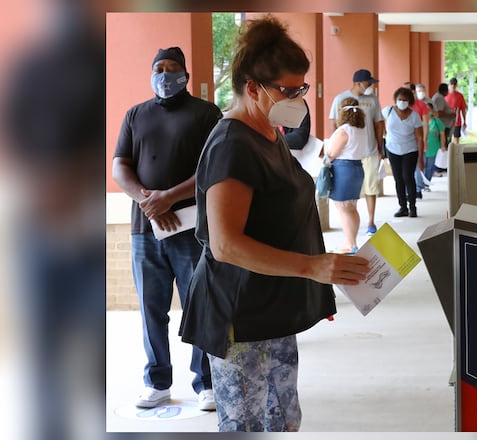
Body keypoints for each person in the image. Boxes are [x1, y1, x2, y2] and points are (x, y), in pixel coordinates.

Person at [178, 16, 370, 432]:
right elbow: (226, 245)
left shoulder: (269, 132)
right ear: (253, 88)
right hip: (240, 313)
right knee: (246, 425)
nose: (299, 97)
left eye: (302, 87)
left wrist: (319, 268)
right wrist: (311, 267)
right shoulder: (232, 144)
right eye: (289, 90)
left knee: (281, 419)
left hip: (273, 307)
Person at [112, 46, 221, 411]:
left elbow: (213, 166)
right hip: (146, 229)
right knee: (150, 308)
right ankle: (157, 381)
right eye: (158, 68)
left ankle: (206, 382)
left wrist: (169, 198)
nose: (164, 74)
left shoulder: (206, 114)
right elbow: (119, 167)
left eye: (171, 68)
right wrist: (147, 200)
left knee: (199, 304)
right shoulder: (135, 115)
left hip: (190, 229)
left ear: (185, 75)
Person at [329, 69, 385, 236]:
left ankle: (371, 221)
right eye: (368, 82)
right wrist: (335, 143)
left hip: (370, 150)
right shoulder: (340, 98)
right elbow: (333, 122)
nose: (370, 85)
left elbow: (378, 124)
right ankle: (352, 227)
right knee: (350, 195)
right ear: (358, 82)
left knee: (371, 187)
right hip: (348, 154)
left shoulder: (373, 100)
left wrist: (380, 148)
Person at [325, 97, 368, 254]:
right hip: (357, 168)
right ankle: (352, 241)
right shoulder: (361, 129)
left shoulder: (344, 130)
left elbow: (332, 153)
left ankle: (350, 244)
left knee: (343, 207)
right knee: (352, 207)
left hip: (344, 169)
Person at [382, 87, 425, 218]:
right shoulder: (388, 111)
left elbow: (419, 137)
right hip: (392, 150)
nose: (402, 102)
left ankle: (412, 206)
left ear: (409, 101)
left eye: (405, 100)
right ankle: (402, 207)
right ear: (395, 99)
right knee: (398, 179)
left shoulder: (414, 116)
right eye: (399, 99)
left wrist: (421, 158)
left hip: (410, 150)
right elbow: (378, 124)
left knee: (408, 177)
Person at [431, 83, 454, 175]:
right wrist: (451, 115)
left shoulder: (438, 97)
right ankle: (440, 167)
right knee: (443, 146)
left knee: (444, 146)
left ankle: (441, 166)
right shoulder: (439, 98)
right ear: (445, 90)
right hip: (442, 125)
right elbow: (438, 113)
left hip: (444, 125)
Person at [424, 102, 447, 185]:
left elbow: (442, 134)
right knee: (422, 166)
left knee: (430, 167)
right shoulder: (420, 120)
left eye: (428, 109)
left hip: (433, 148)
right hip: (422, 147)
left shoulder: (436, 121)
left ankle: (426, 183)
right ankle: (420, 184)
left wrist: (443, 145)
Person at [446, 77, 468, 144]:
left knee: (456, 140)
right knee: (447, 140)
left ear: (456, 85)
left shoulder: (460, 96)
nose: (453, 85)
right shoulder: (445, 95)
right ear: (449, 85)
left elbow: (463, 110)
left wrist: (464, 121)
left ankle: (456, 153)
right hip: (446, 122)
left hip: (456, 122)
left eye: (454, 84)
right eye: (451, 84)